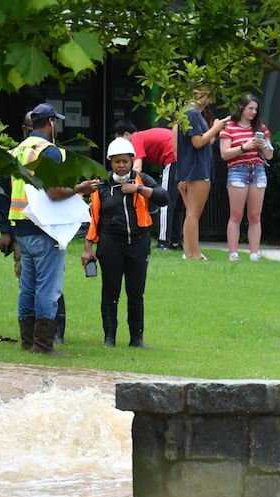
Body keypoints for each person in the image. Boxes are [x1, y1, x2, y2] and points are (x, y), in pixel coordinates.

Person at [0, 103, 95, 354]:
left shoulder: (15, 151)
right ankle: (43, 344)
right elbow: (54, 192)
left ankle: (28, 341)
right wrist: (81, 189)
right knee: (47, 288)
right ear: (51, 122)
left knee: (27, 286)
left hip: (21, 226)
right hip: (45, 227)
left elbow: (6, 191)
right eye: (56, 122)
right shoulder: (50, 152)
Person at [82, 137, 169, 348]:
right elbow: (93, 217)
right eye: (116, 162)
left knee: (135, 292)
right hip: (110, 244)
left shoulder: (142, 179)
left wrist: (138, 190)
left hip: (138, 243)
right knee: (110, 292)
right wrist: (87, 249)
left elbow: (164, 197)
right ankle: (109, 338)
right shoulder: (101, 184)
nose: (121, 166)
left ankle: (136, 338)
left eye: (125, 161)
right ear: (110, 163)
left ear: (132, 161)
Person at [173, 89, 228, 260]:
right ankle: (194, 254)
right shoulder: (193, 113)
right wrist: (216, 127)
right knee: (193, 214)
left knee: (190, 213)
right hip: (197, 170)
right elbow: (198, 142)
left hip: (190, 169)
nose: (210, 101)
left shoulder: (186, 113)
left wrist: (214, 131)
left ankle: (189, 252)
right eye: (209, 95)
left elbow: (203, 141)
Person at [218, 94, 273, 261]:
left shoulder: (260, 128)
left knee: (255, 214)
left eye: (256, 109)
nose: (253, 112)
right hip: (237, 170)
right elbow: (224, 154)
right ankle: (233, 253)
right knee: (236, 214)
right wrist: (244, 147)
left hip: (258, 170)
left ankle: (254, 253)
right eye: (250, 108)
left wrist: (263, 147)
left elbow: (270, 155)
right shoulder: (229, 127)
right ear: (241, 108)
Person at [113, 118, 178, 250]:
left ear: (126, 134)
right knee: (178, 205)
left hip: (171, 159)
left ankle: (163, 241)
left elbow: (137, 167)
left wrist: (126, 182)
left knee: (165, 202)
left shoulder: (137, 138)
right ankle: (176, 240)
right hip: (181, 159)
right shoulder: (145, 135)